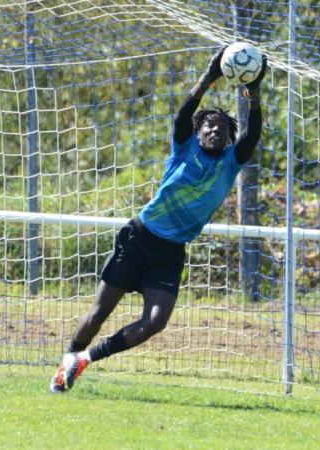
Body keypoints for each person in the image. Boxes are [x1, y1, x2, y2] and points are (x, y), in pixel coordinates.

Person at [50, 46, 267, 393]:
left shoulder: (230, 161)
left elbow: (252, 132)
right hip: (138, 238)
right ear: (198, 133)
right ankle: (67, 361)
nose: (215, 130)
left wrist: (253, 92)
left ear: (229, 137)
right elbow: (185, 113)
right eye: (210, 125)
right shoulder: (184, 145)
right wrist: (209, 77)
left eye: (223, 127)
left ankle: (87, 358)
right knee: (98, 313)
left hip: (170, 252)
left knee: (155, 322)